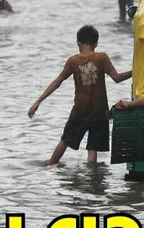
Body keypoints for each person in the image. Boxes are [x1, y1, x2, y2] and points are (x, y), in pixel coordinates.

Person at [28, 25, 131, 166]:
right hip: (100, 112)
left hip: (79, 111)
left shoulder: (73, 61)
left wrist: (38, 102)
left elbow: (57, 82)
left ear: (78, 44)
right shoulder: (102, 58)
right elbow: (117, 78)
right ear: (96, 43)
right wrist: (134, 72)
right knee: (93, 148)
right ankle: (92, 178)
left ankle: (50, 166)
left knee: (65, 141)